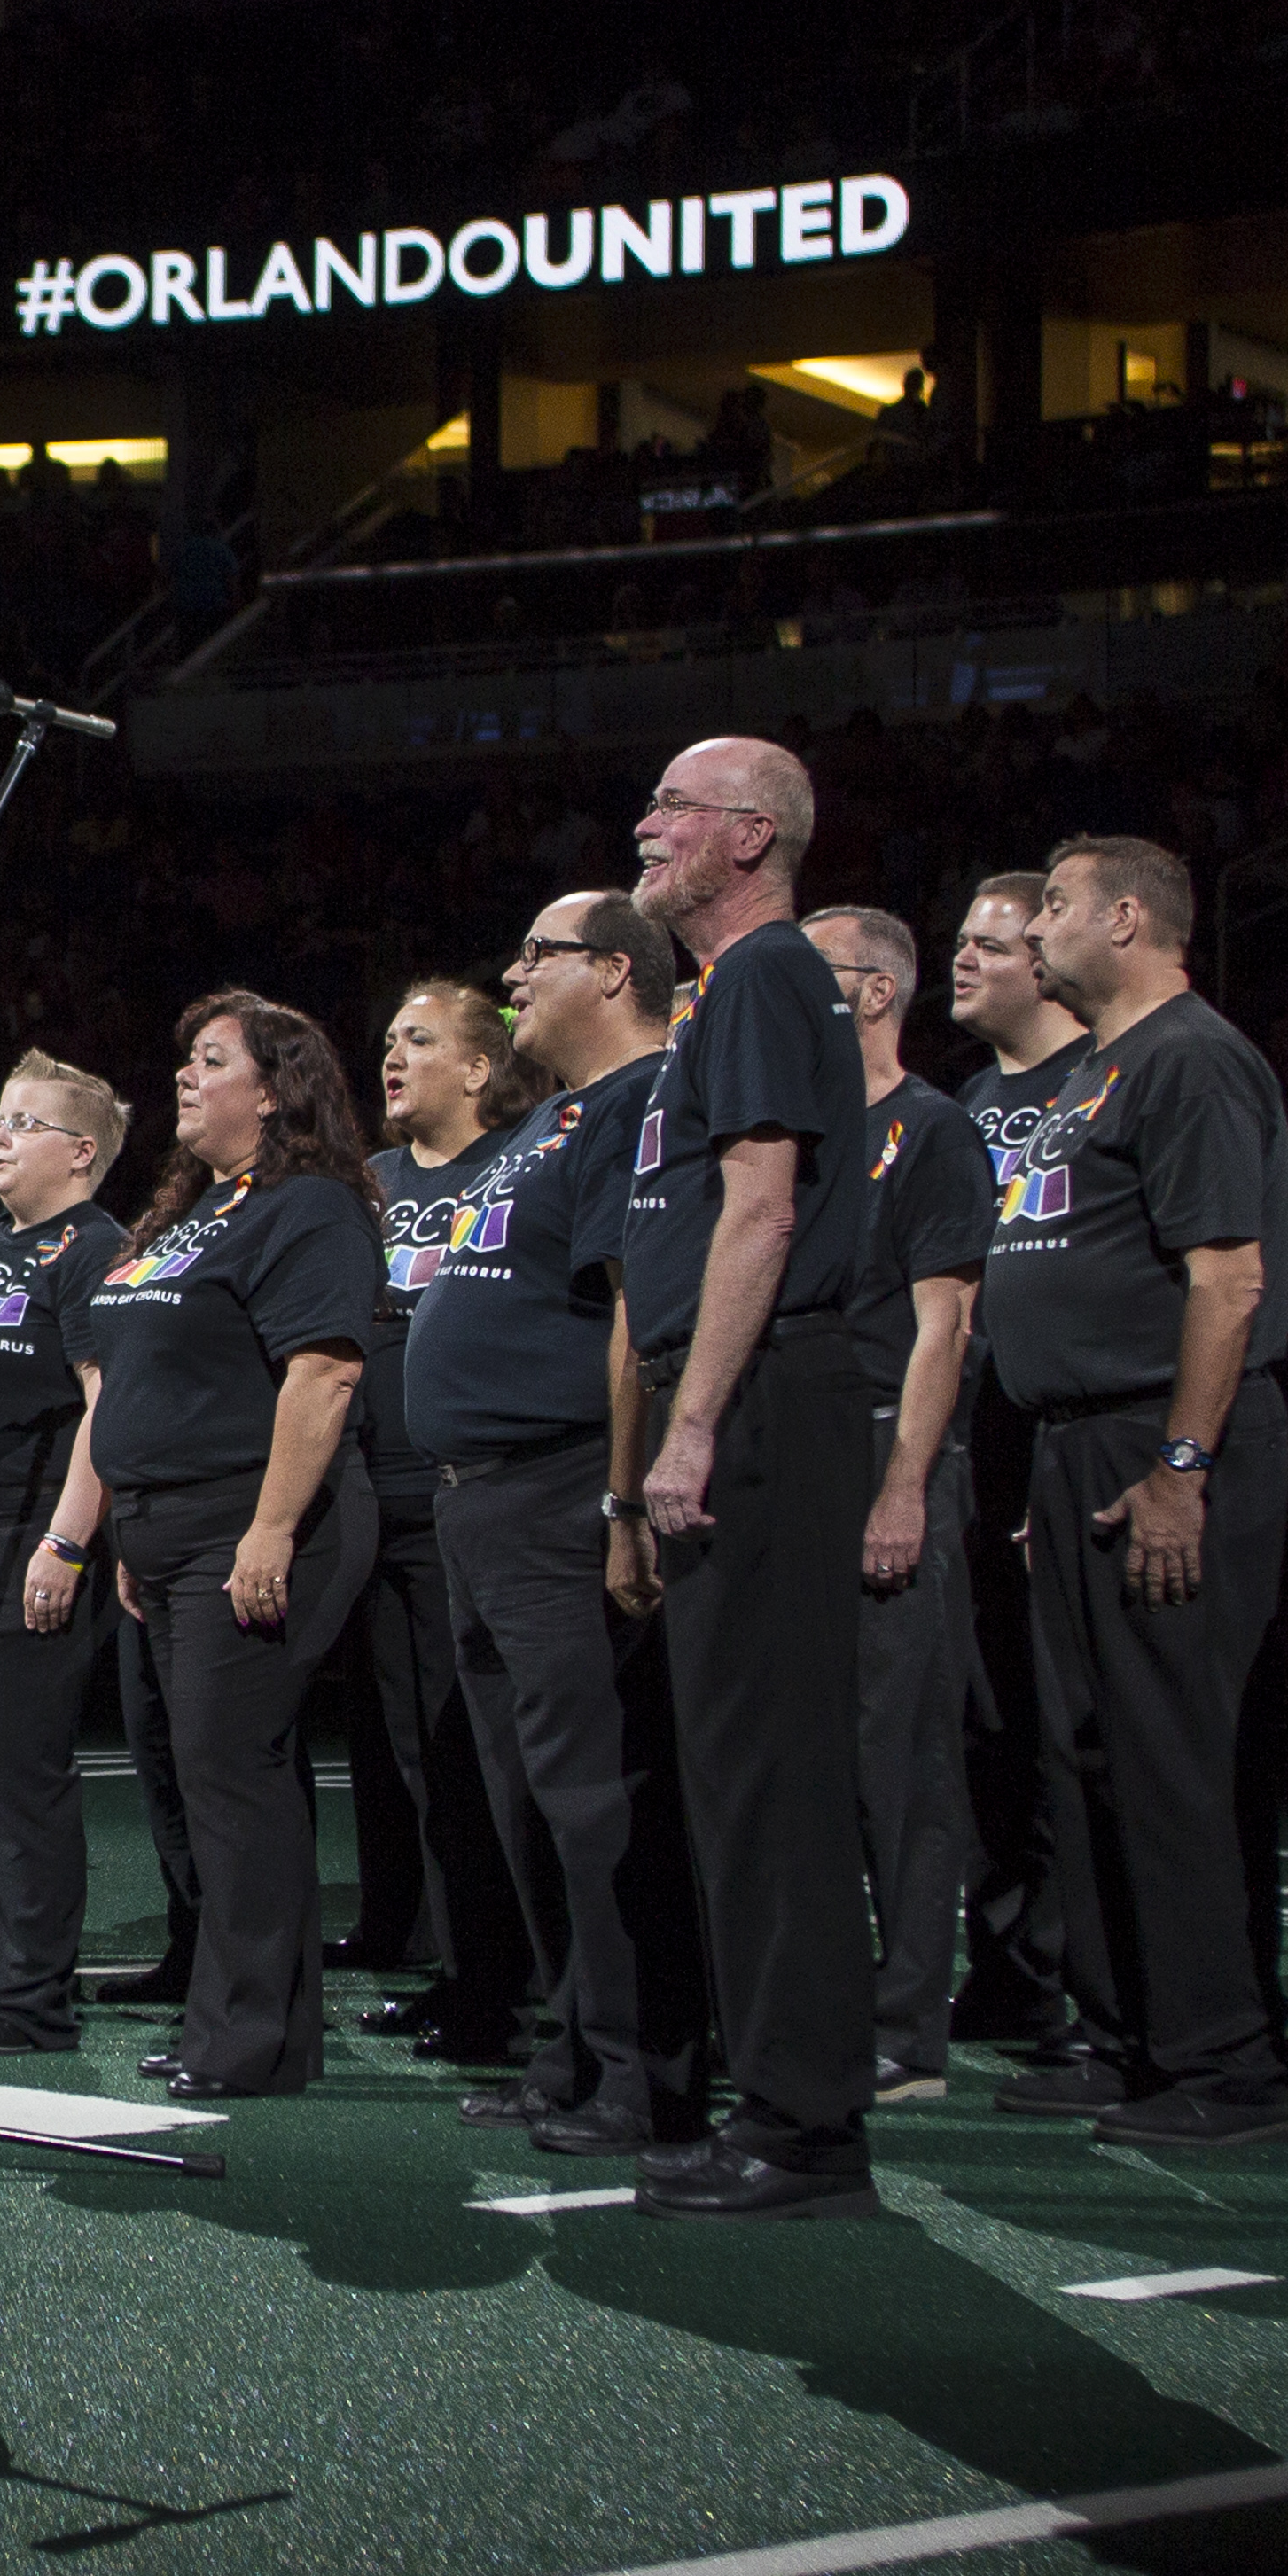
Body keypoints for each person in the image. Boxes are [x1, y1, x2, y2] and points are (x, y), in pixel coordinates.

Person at [987, 838, 1288, 2146]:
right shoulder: (1101, 1070)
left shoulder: (1190, 1056)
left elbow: (1226, 1279)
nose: (1032, 923)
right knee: (1085, 1755)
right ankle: (1125, 2040)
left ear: (1127, 918)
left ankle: (1227, 2066)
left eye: (1053, 903)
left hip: (1155, 1442)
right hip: (1077, 1444)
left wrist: (1182, 1463)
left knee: (1172, 1755)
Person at [618, 737, 881, 2216]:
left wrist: (697, 1421)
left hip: (768, 1401)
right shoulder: (729, 995)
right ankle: (778, 2095)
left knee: (772, 1777)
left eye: (673, 808)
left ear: (751, 836)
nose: (646, 826)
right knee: (733, 1770)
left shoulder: (773, 974)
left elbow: (764, 1215)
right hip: (741, 1393)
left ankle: (804, 2122)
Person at [410, 894, 701, 2151]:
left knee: (597, 1795)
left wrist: (623, 1498)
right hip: (478, 1501)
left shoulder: (647, 1101)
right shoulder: (553, 1118)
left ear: (617, 971)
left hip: (557, 1488)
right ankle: (575, 2046)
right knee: (526, 1797)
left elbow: (638, 1314)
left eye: (540, 954)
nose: (516, 973)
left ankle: (648, 2071)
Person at [79, 993, 380, 2100]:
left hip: (247, 1521)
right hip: (166, 1528)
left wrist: (268, 1528)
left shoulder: (307, 1208)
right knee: (203, 1776)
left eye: (213, 1060)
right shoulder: (199, 1207)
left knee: (231, 1778)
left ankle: (246, 2039)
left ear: (276, 1088)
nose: (187, 1077)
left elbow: (325, 1370)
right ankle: (253, 2023)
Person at [808, 908, 985, 2105]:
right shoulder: (804, 1138)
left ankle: (907, 2025)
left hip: (883, 1452)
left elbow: (946, 1325)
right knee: (812, 1758)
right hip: (799, 1461)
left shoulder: (931, 1131)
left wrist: (904, 1488)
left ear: (874, 994)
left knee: (899, 1758)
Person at [0, 1056, 135, 2049]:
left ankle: (30, 1997)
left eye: (23, 1124)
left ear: (81, 1152)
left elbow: (104, 1408)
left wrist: (65, 1539)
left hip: (21, 1531)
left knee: (19, 1771)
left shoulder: (91, 1248)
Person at [345, 980, 523, 2052]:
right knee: (395, 1739)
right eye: (388, 1040)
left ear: (479, 1068)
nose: (392, 1058)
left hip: (464, 1488)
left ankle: (496, 1966)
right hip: (374, 1495)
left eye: (419, 1040)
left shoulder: (513, 1168)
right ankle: (414, 1936)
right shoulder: (366, 1184)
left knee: (471, 1745)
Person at [940, 875, 1090, 2054]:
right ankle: (1008, 1963)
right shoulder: (968, 1102)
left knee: (1070, 1722)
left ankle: (1091, 1975)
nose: (966, 960)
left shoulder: (1107, 1081)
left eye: (992, 943)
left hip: (1065, 1434)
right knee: (988, 1719)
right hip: (970, 1439)